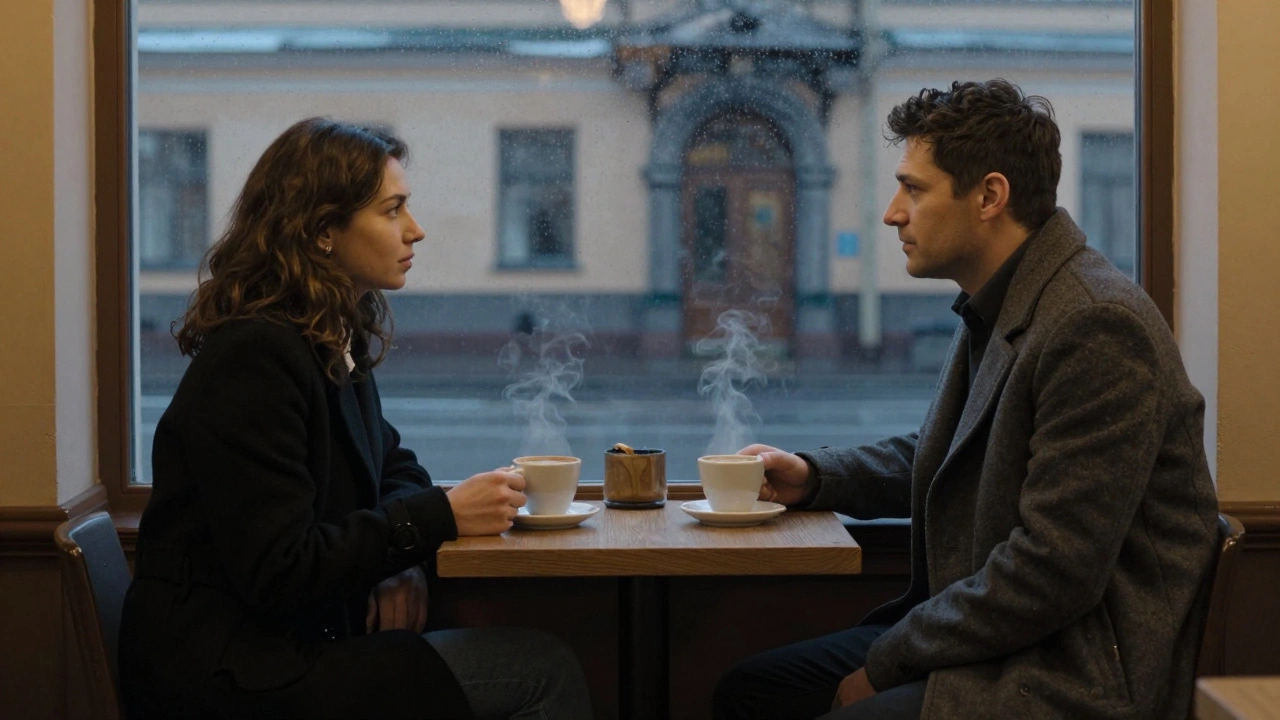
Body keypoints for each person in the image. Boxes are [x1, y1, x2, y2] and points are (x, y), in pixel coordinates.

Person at [714, 79, 1218, 719]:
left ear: (989, 196)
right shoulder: (1008, 298)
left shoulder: (1094, 324)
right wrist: (817, 477)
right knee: (751, 691)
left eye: (914, 189)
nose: (893, 212)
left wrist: (886, 663)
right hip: (1005, 639)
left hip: (1067, 669)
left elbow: (1052, 573)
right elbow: (954, 457)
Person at [118, 117, 593, 720]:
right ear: (322, 231)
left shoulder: (324, 334)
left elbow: (395, 467)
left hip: (286, 646)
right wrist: (437, 519)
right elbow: (280, 570)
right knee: (542, 671)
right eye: (393, 211)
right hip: (232, 673)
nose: (415, 232)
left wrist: (404, 560)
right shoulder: (255, 355)